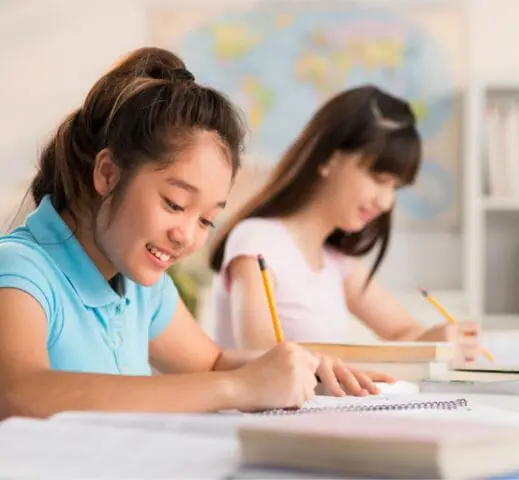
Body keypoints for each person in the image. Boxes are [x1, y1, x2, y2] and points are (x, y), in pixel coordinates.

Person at [0, 48, 388, 420]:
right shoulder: (20, 268)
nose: (186, 237)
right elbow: (21, 395)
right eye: (174, 204)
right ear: (107, 173)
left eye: (206, 221)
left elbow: (211, 362)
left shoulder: (139, 284)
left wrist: (303, 367)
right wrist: (237, 388)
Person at [209, 85, 481, 365]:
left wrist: (439, 339)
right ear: (329, 158)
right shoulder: (257, 242)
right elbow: (260, 356)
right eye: (378, 178)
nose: (386, 202)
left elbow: (403, 332)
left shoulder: (337, 262)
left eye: (395, 187)